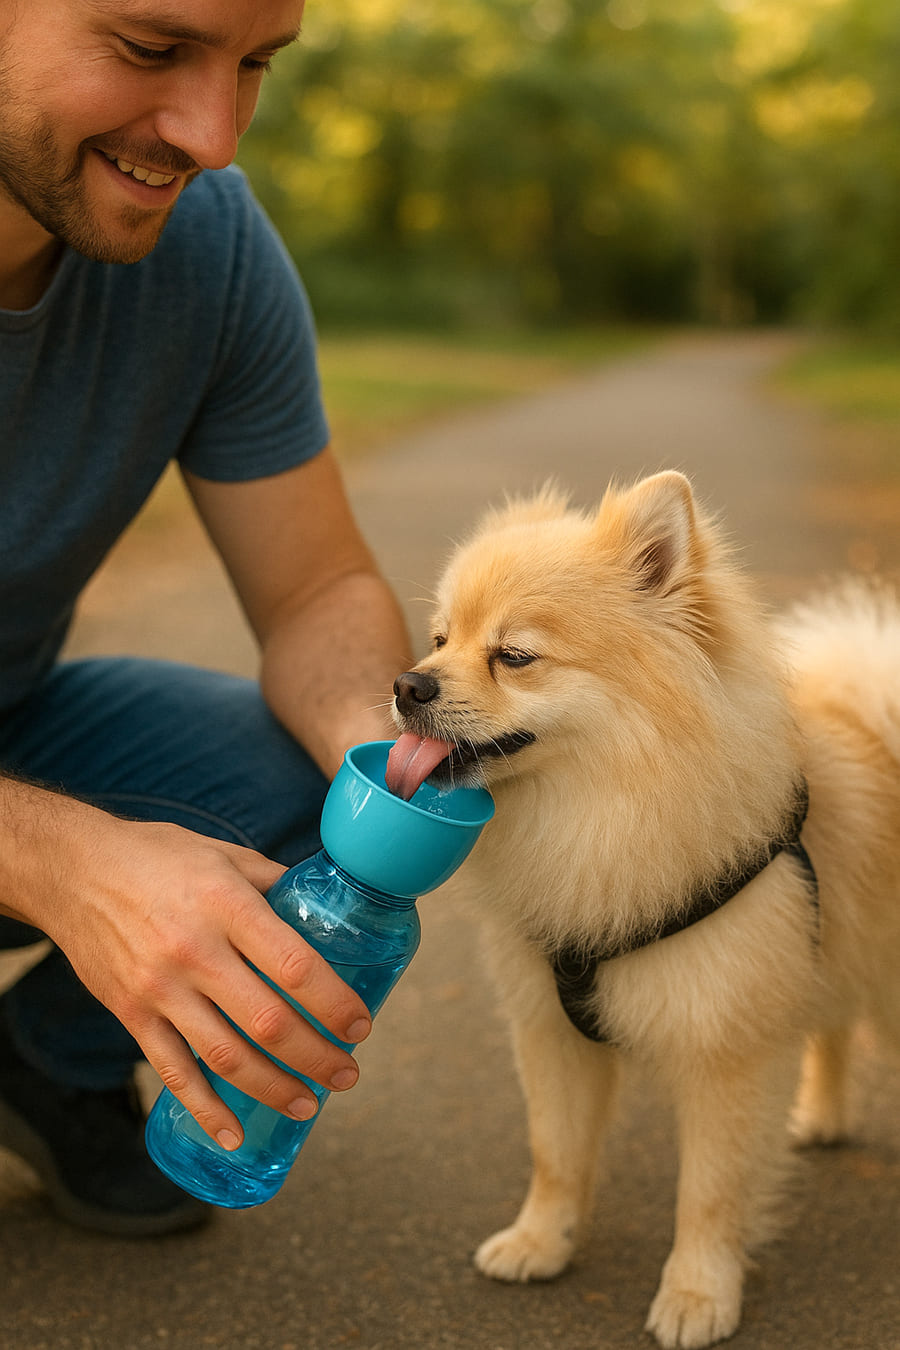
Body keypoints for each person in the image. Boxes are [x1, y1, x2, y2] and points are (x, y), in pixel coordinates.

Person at [0, 0, 412, 1235]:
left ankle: (43, 1061)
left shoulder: (209, 247)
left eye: (255, 67)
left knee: (304, 781)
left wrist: (378, 773)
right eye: (148, 48)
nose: (214, 136)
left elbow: (316, 590)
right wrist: (69, 866)